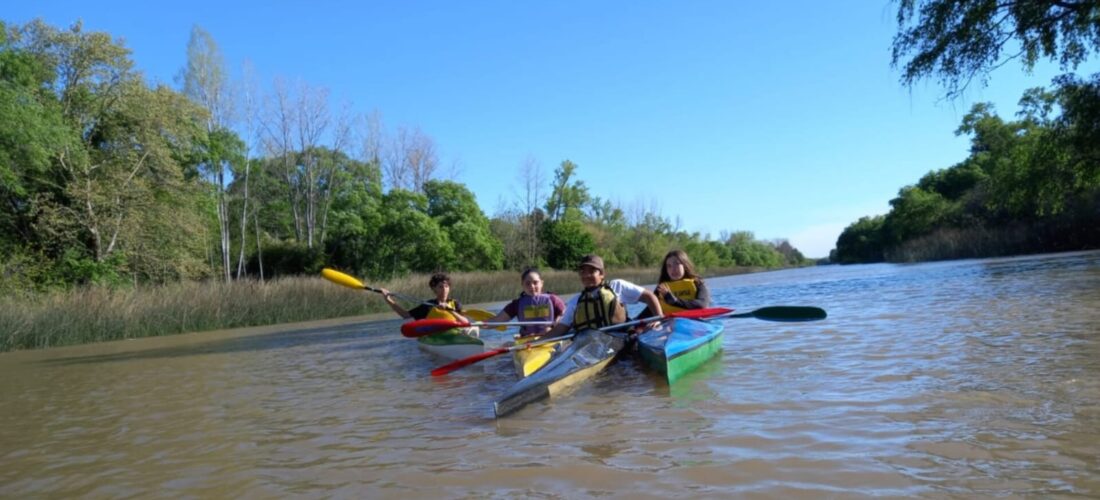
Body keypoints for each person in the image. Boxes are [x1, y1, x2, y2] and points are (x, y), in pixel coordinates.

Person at [543, 254, 663, 339]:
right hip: (591, 344)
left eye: (592, 271)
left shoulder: (617, 286)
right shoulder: (576, 301)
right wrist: (537, 342)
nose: (586, 275)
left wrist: (658, 319)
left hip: (620, 337)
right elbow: (561, 329)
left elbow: (649, 296)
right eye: (583, 272)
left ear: (602, 274)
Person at [487, 267, 567, 337]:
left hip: (550, 337)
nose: (532, 286)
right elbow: (497, 320)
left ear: (542, 283)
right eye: (527, 284)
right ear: (522, 285)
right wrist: (477, 325)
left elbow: (566, 314)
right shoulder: (516, 304)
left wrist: (554, 326)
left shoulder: (553, 300)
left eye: (535, 282)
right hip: (527, 341)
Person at [380, 272, 472, 328]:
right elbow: (405, 315)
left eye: (446, 286)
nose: (444, 289)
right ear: (434, 289)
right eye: (440, 287)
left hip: (456, 333)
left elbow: (466, 322)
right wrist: (389, 300)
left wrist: (450, 310)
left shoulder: (455, 303)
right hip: (436, 337)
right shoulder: (428, 305)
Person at [638, 249, 711, 318]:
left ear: (685, 265)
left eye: (676, 264)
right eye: (669, 266)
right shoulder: (661, 289)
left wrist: (675, 301)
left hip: (695, 321)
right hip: (670, 324)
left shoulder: (698, 283)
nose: (673, 269)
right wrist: (631, 323)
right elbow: (649, 310)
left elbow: (702, 304)